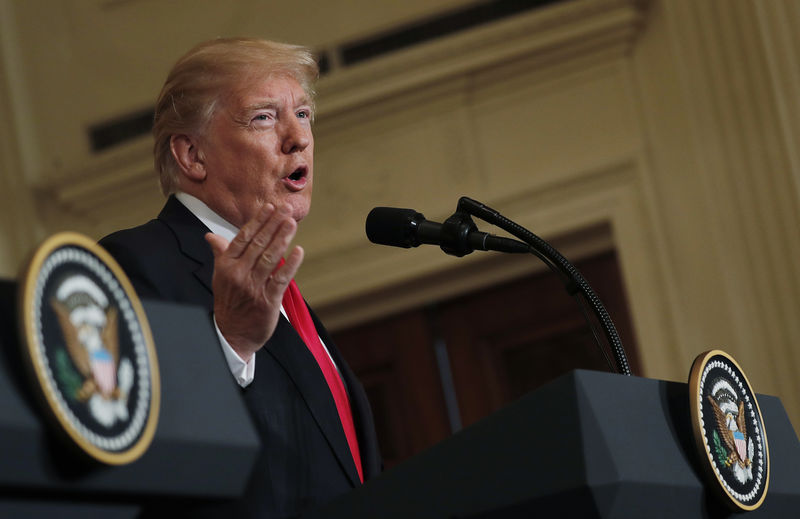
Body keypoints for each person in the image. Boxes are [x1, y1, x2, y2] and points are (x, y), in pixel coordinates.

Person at [100, 37, 381, 518]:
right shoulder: (134, 263)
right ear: (192, 155)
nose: (298, 138)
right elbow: (132, 447)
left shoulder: (277, 287)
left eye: (303, 115)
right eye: (264, 118)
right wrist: (229, 343)